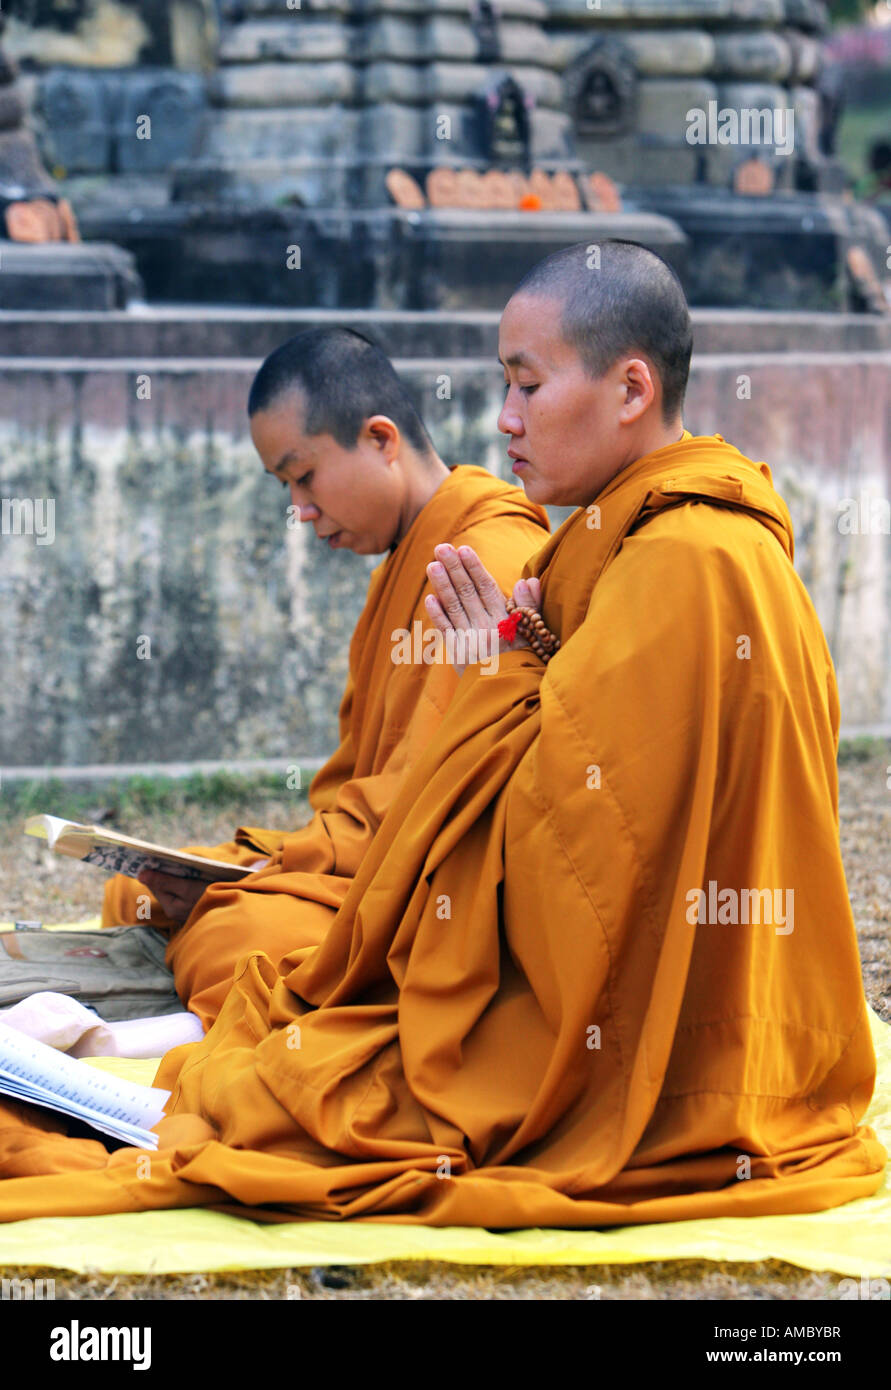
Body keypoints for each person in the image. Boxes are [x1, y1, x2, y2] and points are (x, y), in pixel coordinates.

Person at [0, 242, 884, 1226]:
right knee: (292, 1043)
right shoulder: (630, 537)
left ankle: (111, 1067)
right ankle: (125, 1054)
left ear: (631, 387)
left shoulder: (687, 561)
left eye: (527, 384)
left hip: (659, 1049)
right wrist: (509, 669)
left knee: (323, 1086)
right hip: (602, 969)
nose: (503, 418)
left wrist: (491, 671)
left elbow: (574, 861)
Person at [100, 326, 549, 1028]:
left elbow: (434, 809)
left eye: (304, 476)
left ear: (380, 438)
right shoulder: (409, 561)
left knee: (232, 937)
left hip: (446, 902)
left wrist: (273, 873)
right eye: (285, 486)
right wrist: (264, 864)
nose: (300, 510)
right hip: (369, 866)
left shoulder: (482, 558)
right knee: (140, 892)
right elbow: (358, 795)